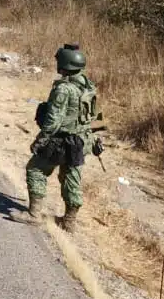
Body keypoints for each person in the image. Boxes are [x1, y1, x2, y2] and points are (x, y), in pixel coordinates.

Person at [12, 44, 102, 232]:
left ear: (63, 64)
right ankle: (69, 222)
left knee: (35, 169)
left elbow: (54, 120)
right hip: (80, 140)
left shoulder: (64, 89)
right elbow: (91, 115)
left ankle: (34, 214)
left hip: (61, 140)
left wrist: (40, 140)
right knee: (71, 178)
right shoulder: (87, 85)